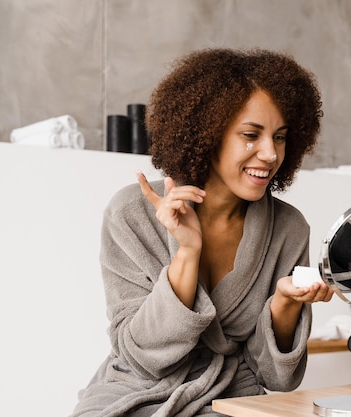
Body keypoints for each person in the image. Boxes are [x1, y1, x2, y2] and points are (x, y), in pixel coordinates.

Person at [71, 48, 334, 417]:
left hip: (230, 397)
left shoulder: (288, 229)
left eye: (279, 137)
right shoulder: (131, 213)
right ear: (208, 134)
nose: (270, 153)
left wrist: (285, 302)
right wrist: (187, 253)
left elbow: (276, 378)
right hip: (135, 392)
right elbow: (141, 356)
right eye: (251, 134)